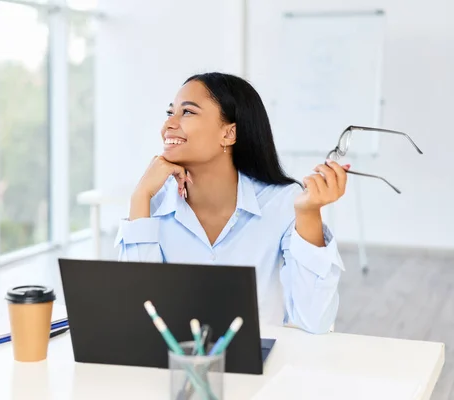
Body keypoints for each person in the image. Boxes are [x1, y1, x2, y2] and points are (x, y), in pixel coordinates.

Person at [114, 72, 349, 334]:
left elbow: (315, 320)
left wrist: (308, 214)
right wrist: (140, 196)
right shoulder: (152, 204)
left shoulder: (282, 202)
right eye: (170, 113)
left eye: (187, 112)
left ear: (229, 133)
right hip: (175, 361)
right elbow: (137, 313)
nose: (168, 124)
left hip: (261, 369)